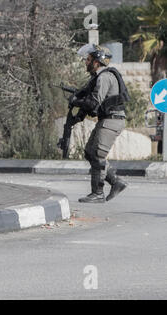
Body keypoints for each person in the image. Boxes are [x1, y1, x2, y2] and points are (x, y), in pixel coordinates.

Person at [70, 44, 130, 203]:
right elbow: (91, 103)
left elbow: (94, 103)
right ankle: (117, 182)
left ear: (97, 62)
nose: (86, 62)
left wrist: (77, 102)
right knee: (90, 152)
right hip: (107, 120)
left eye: (88, 59)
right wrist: (78, 115)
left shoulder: (104, 77)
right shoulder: (98, 77)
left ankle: (97, 192)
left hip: (112, 120)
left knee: (97, 155)